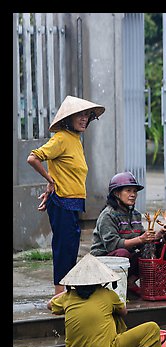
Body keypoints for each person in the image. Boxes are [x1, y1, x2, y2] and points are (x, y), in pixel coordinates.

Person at [27, 95, 105, 296]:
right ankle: (59, 293)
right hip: (63, 201)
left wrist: (50, 181)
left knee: (71, 246)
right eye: (79, 115)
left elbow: (60, 167)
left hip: (73, 202)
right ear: (68, 119)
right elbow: (33, 158)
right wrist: (50, 181)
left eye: (86, 115)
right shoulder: (61, 138)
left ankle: (66, 290)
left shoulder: (75, 140)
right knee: (64, 247)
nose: (84, 118)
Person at [47, 253, 162, 347]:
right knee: (152, 329)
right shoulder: (107, 294)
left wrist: (67, 292)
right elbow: (124, 312)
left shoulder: (67, 297)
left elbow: (50, 304)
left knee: (111, 318)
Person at [90, 171, 164, 295]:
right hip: (102, 262)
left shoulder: (135, 214)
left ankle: (130, 282)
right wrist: (141, 239)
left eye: (134, 191)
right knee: (122, 253)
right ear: (117, 193)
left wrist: (156, 237)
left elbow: (141, 239)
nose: (133, 195)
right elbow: (113, 245)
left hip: (125, 260)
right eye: (128, 191)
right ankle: (113, 287)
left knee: (155, 248)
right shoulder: (108, 215)